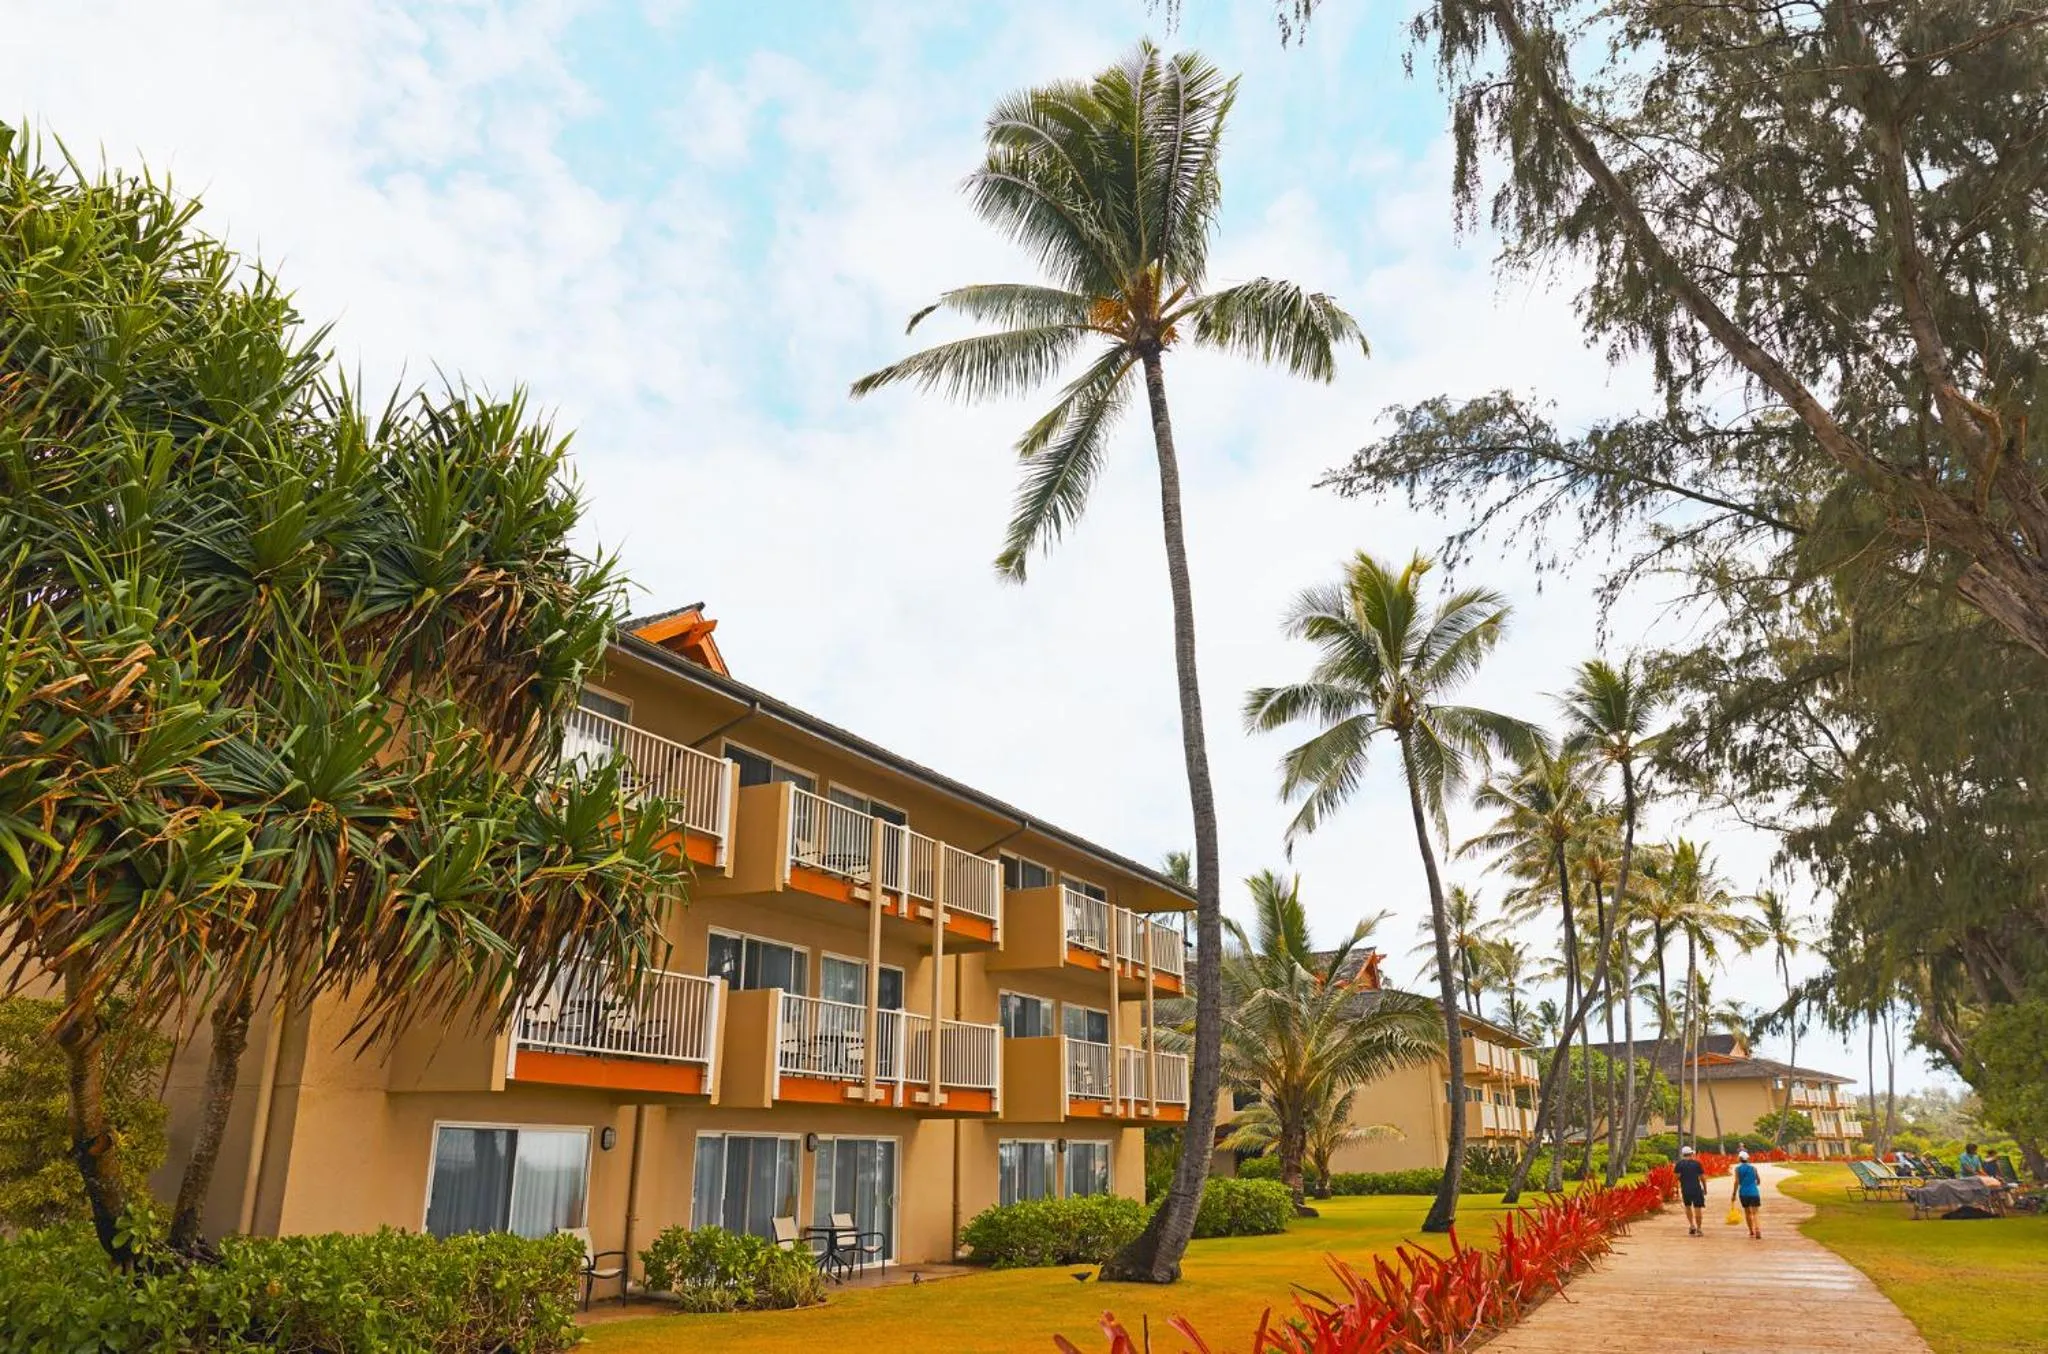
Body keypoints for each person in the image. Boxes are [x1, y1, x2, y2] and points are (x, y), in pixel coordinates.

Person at [1675, 1145, 1709, 1235]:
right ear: (1691, 1153)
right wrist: (1705, 1189)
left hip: (1685, 1189)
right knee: (1698, 1208)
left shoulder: (1679, 1164)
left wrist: (1677, 1189)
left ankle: (1692, 1225)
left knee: (1688, 1207)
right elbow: (1702, 1178)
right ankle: (1699, 1229)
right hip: (1696, 1189)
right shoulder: (1697, 1164)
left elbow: (1677, 1177)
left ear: (1683, 1154)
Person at [1732, 1149, 1763, 1240]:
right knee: (1755, 1213)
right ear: (1747, 1159)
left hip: (1743, 1193)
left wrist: (1734, 1194)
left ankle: (1751, 1231)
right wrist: (1754, 1184)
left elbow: (1736, 1182)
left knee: (1747, 1212)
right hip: (1754, 1192)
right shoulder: (1753, 1168)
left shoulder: (1737, 1169)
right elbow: (1758, 1180)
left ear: (1740, 1159)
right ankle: (1757, 1230)